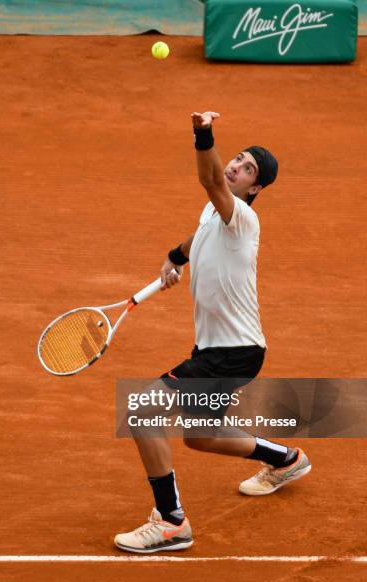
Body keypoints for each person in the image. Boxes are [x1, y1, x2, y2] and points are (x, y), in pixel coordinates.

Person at [114, 111, 311, 554]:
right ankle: (286, 460)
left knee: (141, 412)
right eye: (237, 159)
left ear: (254, 188)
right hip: (224, 349)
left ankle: (171, 521)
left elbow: (210, 183)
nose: (236, 167)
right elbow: (198, 233)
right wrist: (175, 257)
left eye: (247, 169)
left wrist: (203, 133)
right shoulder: (217, 212)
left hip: (232, 352)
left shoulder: (242, 216)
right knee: (200, 435)